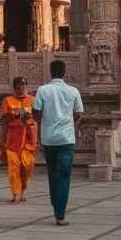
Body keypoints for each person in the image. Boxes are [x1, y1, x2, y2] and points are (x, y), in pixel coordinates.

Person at [32, 59, 83, 226]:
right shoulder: (73, 91)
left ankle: (56, 205)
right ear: (64, 73)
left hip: (49, 138)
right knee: (64, 175)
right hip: (67, 138)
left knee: (52, 173)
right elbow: (79, 113)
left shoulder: (43, 90)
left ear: (50, 72)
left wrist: (43, 123)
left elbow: (36, 111)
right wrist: (71, 125)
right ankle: (60, 213)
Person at [0, 75, 37, 203]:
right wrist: (15, 114)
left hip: (28, 138)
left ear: (27, 87)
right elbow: (4, 120)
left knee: (27, 165)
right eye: (18, 87)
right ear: (14, 88)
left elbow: (38, 116)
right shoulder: (7, 101)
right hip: (13, 139)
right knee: (14, 166)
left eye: (23, 86)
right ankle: (16, 193)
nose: (21, 89)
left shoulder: (32, 100)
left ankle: (22, 189)